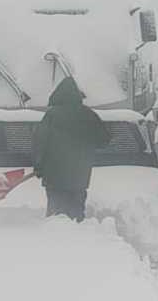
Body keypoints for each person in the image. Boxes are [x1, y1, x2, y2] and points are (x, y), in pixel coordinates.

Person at [32, 77, 111, 221]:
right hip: (79, 174)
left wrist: (38, 166)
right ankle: (77, 236)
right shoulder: (88, 115)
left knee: (56, 214)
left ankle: (55, 237)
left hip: (54, 175)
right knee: (76, 213)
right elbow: (104, 140)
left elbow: (40, 142)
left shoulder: (52, 115)